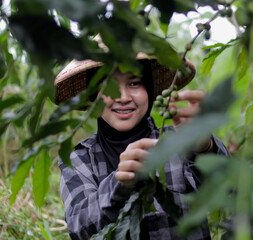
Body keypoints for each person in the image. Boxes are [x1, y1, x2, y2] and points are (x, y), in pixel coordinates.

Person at [54, 53, 229, 240]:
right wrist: (118, 184)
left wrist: (204, 148)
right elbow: (77, 224)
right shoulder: (80, 158)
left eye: (134, 83)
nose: (122, 97)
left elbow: (231, 190)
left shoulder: (177, 141)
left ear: (150, 90)